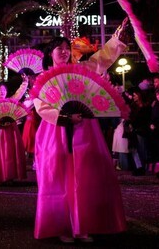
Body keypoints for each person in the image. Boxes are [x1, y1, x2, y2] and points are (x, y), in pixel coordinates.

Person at [33, 28, 129, 243]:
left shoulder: (81, 70)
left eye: (67, 48)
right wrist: (64, 118)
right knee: (59, 178)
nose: (65, 52)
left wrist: (117, 39)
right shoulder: (43, 78)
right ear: (51, 53)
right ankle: (63, 226)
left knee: (86, 177)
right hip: (55, 130)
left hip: (85, 130)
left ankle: (83, 226)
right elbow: (41, 105)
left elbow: (101, 59)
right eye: (60, 49)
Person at [0, 79, 28, 186]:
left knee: (9, 153)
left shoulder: (10, 101)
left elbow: (19, 94)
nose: (2, 92)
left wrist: (25, 83)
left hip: (10, 131)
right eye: (0, 90)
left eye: (4, 90)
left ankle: (10, 176)